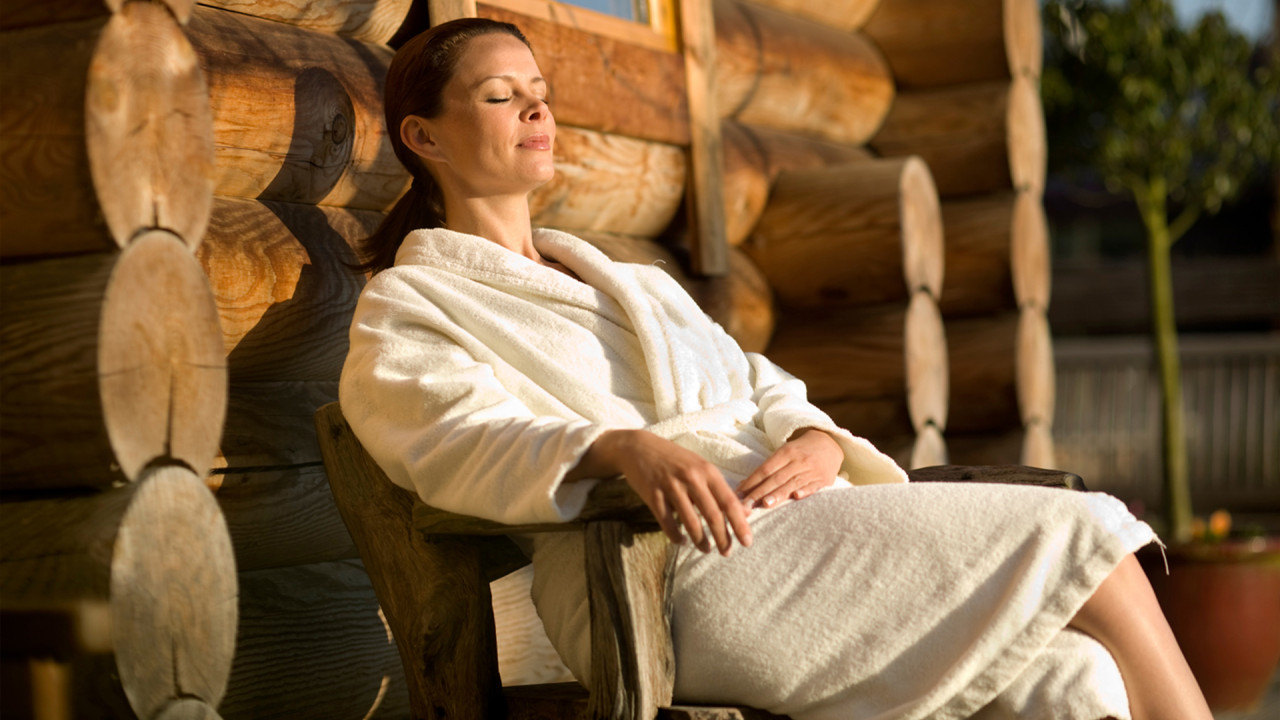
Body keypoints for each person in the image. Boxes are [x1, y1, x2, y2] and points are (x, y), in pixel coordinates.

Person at [339, 17, 1212, 720]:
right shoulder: (411, 308)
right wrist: (620, 449)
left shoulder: (630, 282)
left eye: (541, 95)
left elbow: (757, 380)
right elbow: (453, 437)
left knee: (1070, 682)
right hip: (675, 575)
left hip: (796, 532)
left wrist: (815, 437)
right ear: (425, 137)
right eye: (502, 97)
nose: (538, 113)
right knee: (1087, 534)